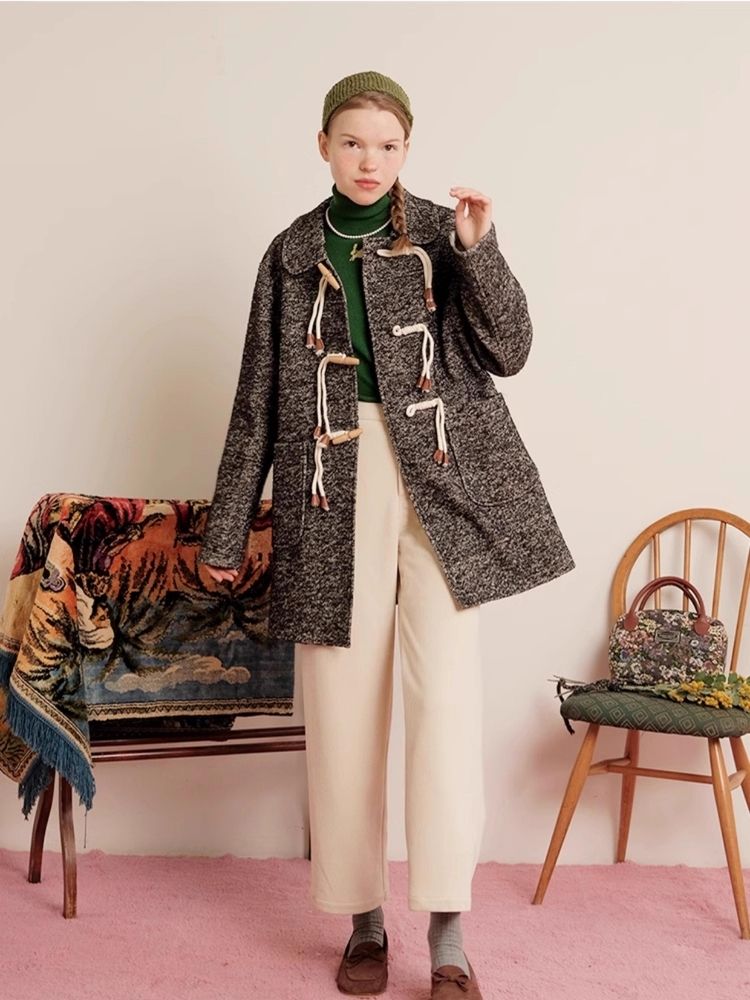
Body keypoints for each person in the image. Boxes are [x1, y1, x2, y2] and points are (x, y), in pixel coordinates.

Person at [199, 70, 575, 1000]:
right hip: (329, 486)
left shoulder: (446, 235)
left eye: (389, 145)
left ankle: (448, 933)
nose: (370, 161)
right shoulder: (291, 253)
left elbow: (512, 350)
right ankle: (364, 923)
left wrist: (482, 252)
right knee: (341, 707)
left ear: (409, 149)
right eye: (353, 142)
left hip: (441, 478)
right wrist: (226, 529)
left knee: (445, 702)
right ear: (323, 146)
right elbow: (257, 400)